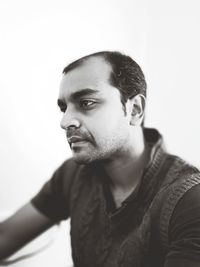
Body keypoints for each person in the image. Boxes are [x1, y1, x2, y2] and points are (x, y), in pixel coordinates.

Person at [0, 51, 200, 267]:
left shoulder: (189, 201)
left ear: (134, 109)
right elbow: (5, 237)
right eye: (63, 108)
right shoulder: (73, 174)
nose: (65, 121)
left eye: (86, 103)